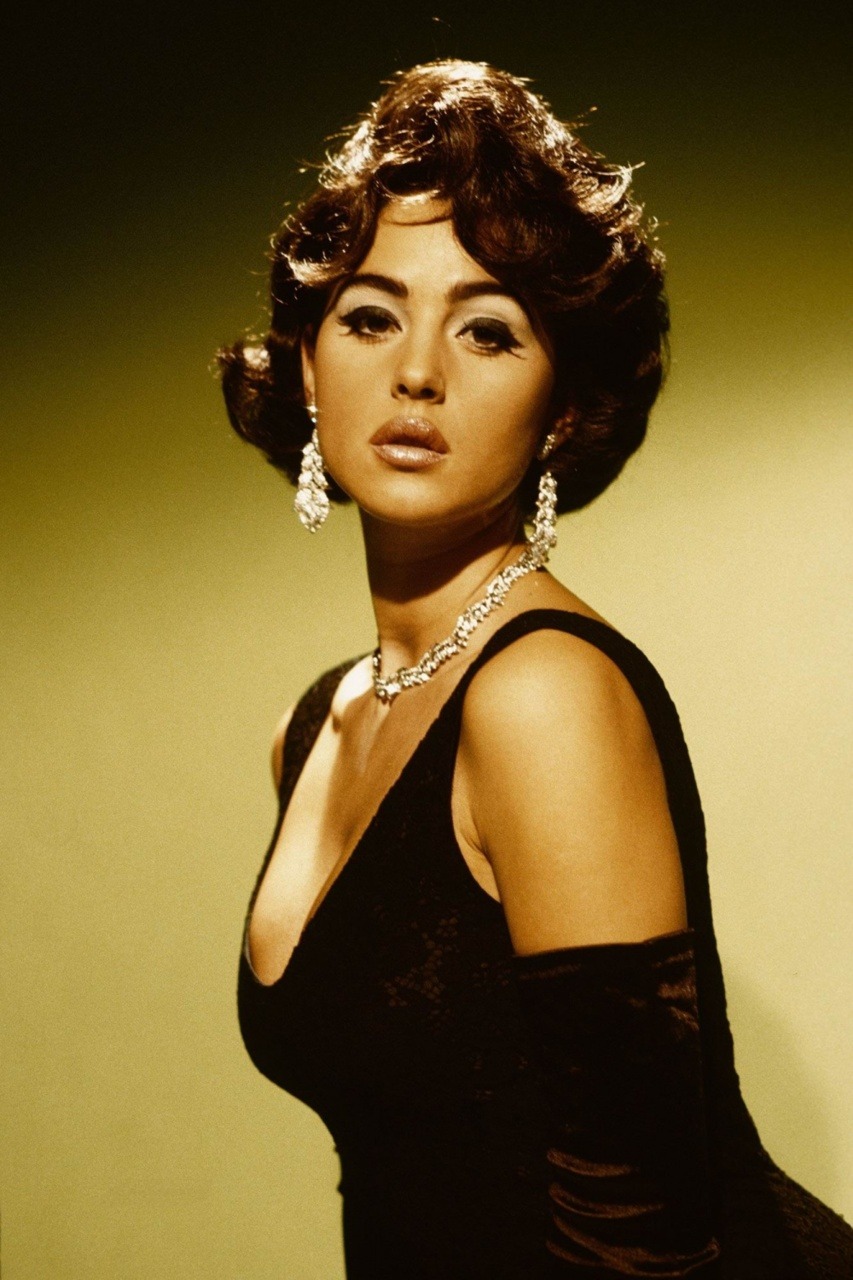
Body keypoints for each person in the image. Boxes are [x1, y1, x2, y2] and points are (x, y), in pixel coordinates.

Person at [219, 60, 853, 1279]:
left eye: (489, 330)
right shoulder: (320, 724)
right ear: (306, 364)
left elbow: (642, 1236)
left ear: (561, 406)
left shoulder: (540, 692)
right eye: (370, 316)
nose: (417, 371)